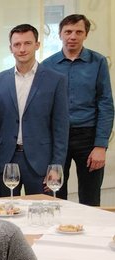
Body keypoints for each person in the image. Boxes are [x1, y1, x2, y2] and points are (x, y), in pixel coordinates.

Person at [0, 24, 69, 196]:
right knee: (5, 214)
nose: (22, 49)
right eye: (17, 44)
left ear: (37, 45)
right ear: (11, 48)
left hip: (41, 162)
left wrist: (56, 165)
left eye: (27, 43)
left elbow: (61, 127)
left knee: (42, 213)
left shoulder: (56, 80)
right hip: (5, 161)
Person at [43, 14, 113, 206]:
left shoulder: (98, 62)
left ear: (86, 34)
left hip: (88, 136)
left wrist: (100, 145)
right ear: (60, 35)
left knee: (90, 197)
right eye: (68, 32)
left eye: (78, 32)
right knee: (55, 194)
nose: (72, 36)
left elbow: (106, 103)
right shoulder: (48, 65)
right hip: (57, 137)